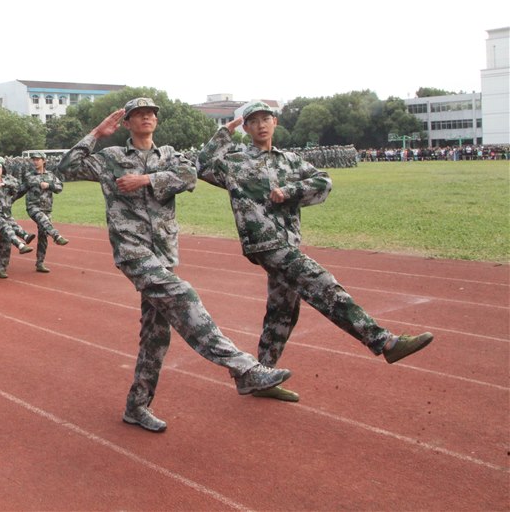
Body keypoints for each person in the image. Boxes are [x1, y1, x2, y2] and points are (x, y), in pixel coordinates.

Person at [58, 97, 291, 433]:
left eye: (150, 113)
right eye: (138, 114)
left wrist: (146, 180)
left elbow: (188, 176)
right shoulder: (111, 158)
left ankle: (137, 406)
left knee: (156, 334)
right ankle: (244, 367)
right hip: (133, 251)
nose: (146, 117)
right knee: (183, 295)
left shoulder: (169, 155)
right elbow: (66, 167)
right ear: (127, 123)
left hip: (164, 254)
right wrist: (97, 133)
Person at [197, 101, 434, 401]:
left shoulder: (290, 161)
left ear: (275, 122)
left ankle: (259, 376)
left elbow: (323, 180)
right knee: (322, 284)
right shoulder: (235, 162)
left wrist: (290, 192)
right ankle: (384, 342)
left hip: (288, 242)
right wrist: (224, 134)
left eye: (266, 119)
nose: (260, 125)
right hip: (265, 243)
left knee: (283, 311)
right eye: (253, 121)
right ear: (246, 127)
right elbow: (202, 166)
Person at [23, 151, 69, 273]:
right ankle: (56, 236)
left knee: (43, 234)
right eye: (34, 159)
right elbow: (20, 190)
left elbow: (59, 188)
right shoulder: (29, 176)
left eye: (37, 159)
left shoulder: (51, 175)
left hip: (47, 208)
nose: (35, 162)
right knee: (43, 220)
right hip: (33, 207)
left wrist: (49, 185)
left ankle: (40, 263)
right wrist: (9, 201)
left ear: (43, 161)